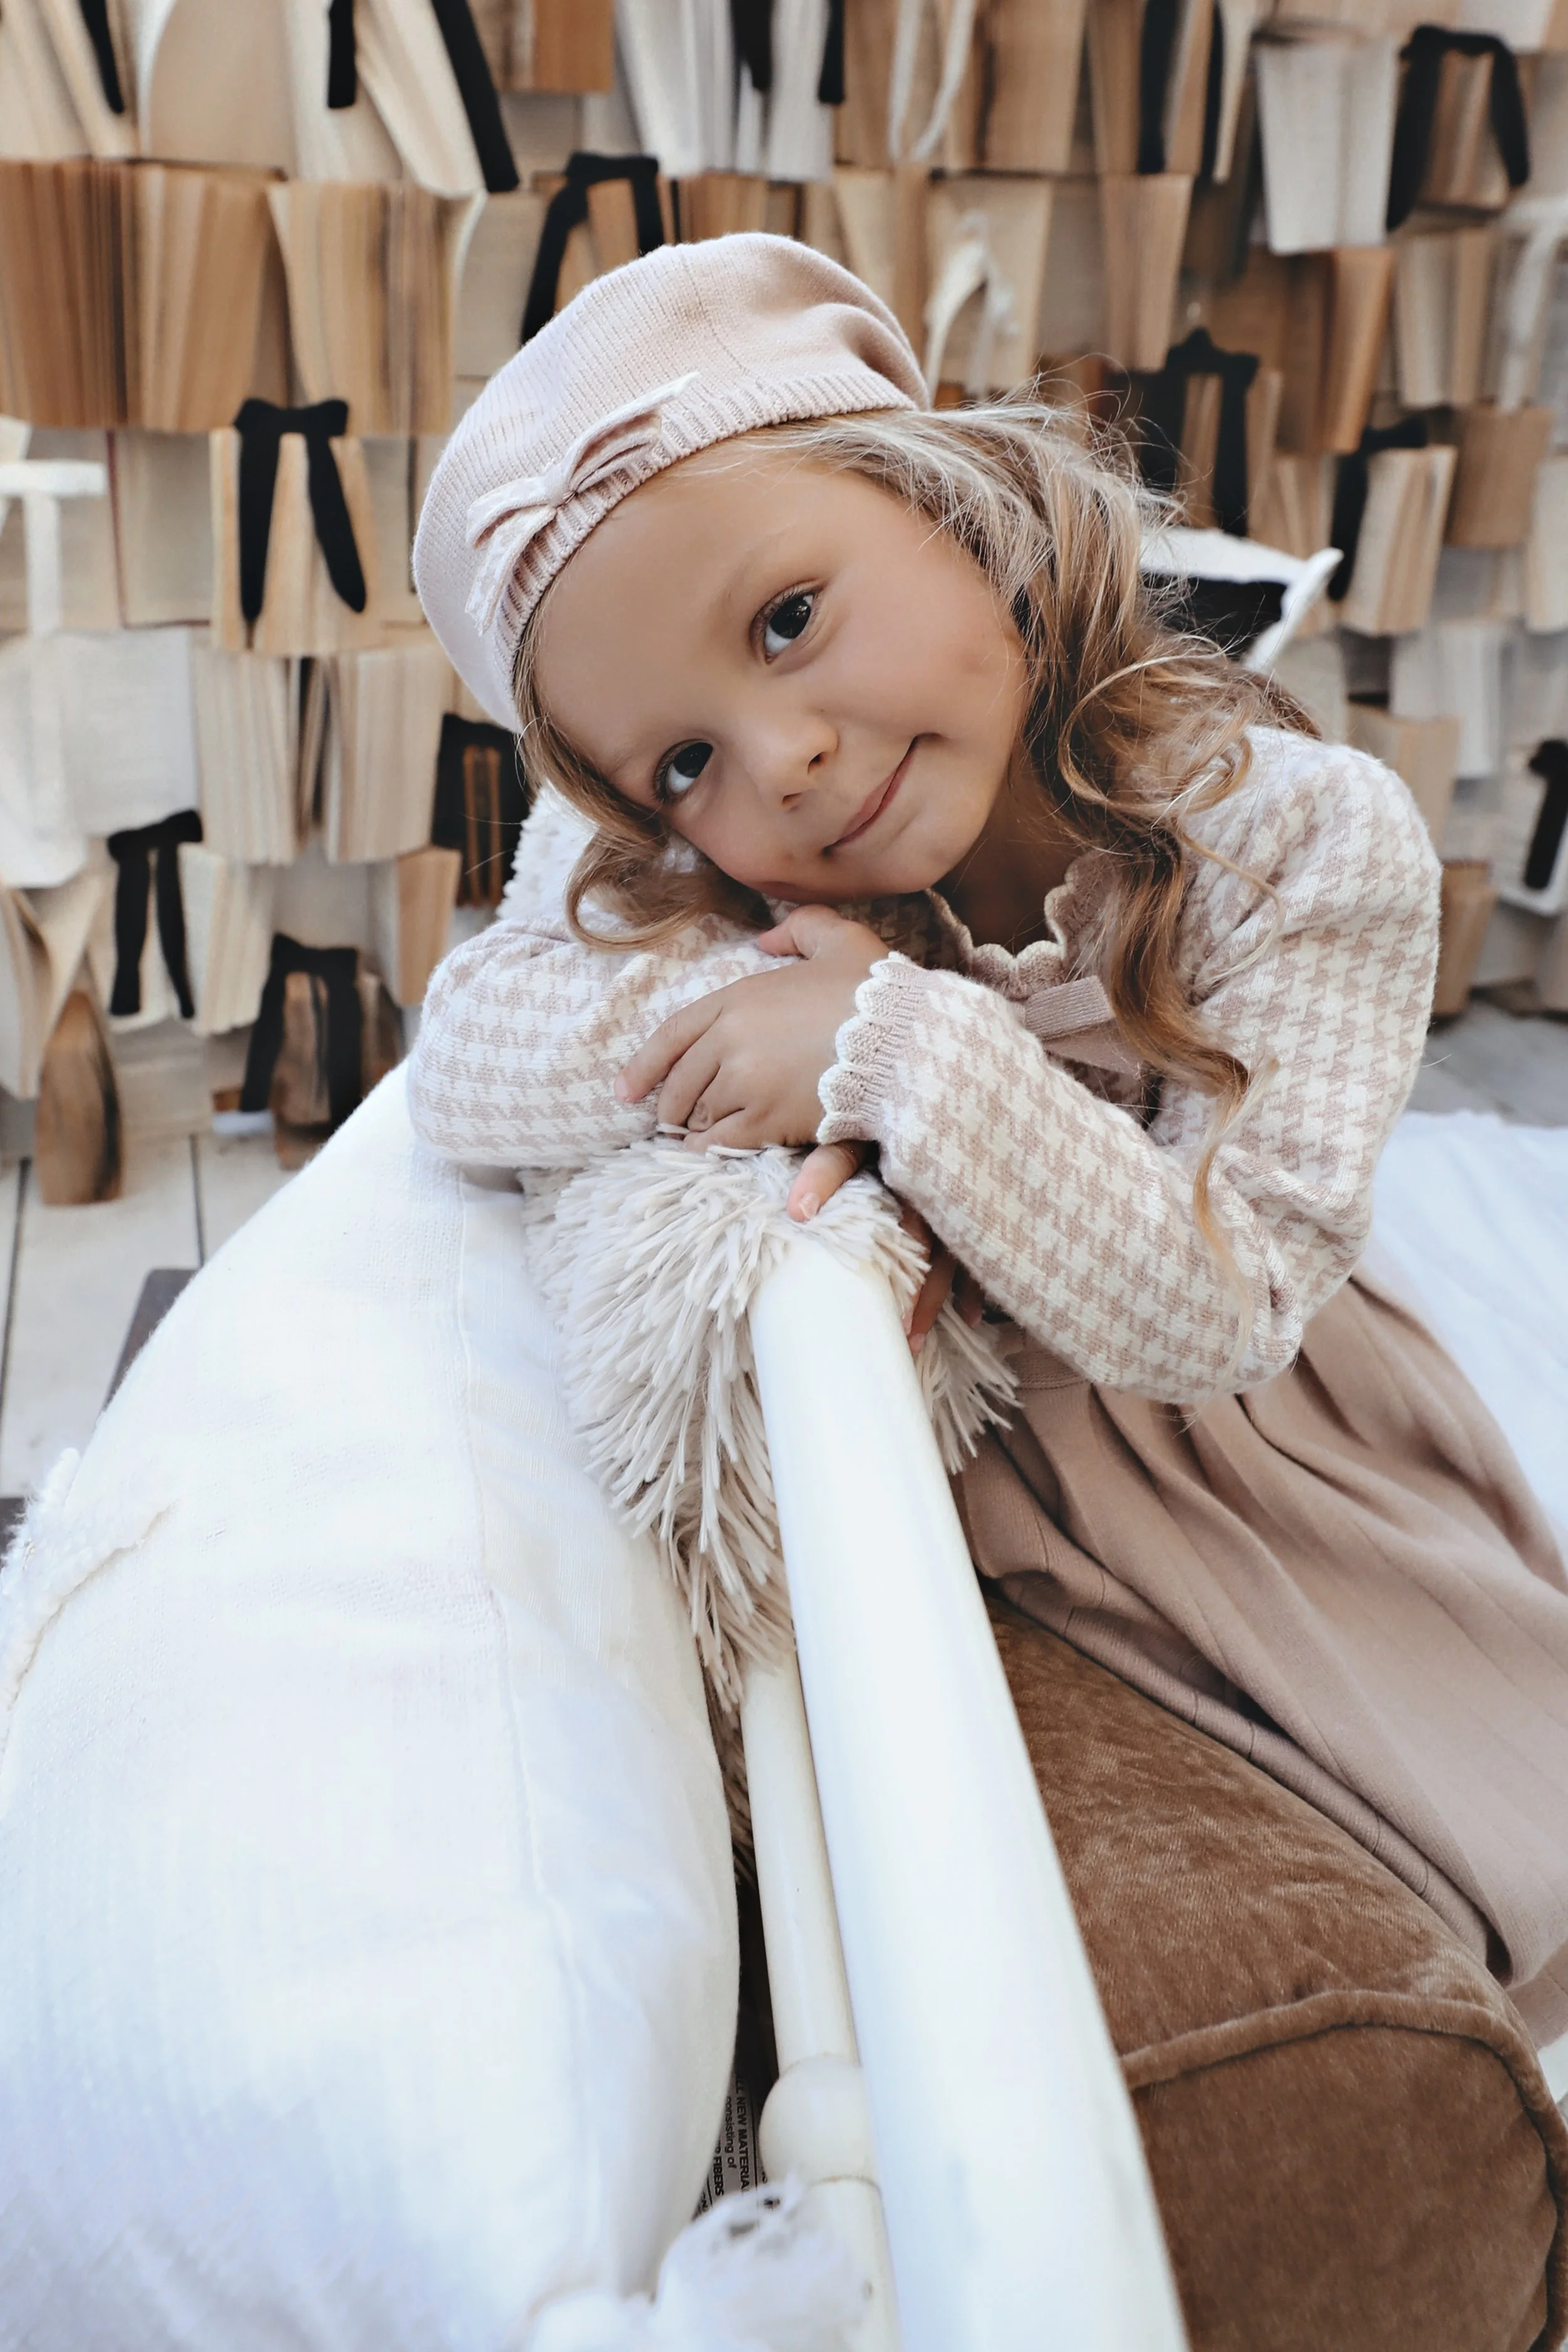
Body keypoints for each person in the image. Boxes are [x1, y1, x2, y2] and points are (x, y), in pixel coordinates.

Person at [408, 234, 1568, 2048]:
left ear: (957, 503)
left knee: (1478, 1811)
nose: (774, 759)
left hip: (1243, 1451)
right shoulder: (719, 870)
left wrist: (888, 1042)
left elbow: (1229, 1296)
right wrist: (734, 1005)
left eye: (787, 617)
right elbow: (460, 1057)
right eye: (681, 762)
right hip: (960, 1434)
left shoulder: (1302, 841)